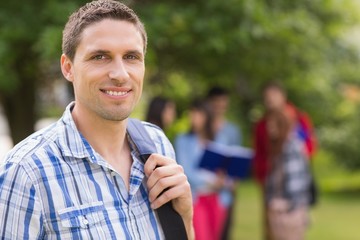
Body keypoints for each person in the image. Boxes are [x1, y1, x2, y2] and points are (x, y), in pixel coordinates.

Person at [0, 1, 194, 239]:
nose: (120, 74)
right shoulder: (27, 171)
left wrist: (184, 216)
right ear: (68, 67)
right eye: (100, 56)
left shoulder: (157, 144)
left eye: (131, 56)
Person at [253, 82, 317, 240]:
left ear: (283, 95)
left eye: (273, 95)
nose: (270, 100)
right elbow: (260, 154)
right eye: (267, 97)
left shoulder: (298, 119)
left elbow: (308, 146)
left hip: (289, 196)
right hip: (271, 183)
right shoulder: (262, 124)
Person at [175, 100, 228, 240]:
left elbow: (225, 168)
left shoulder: (219, 139)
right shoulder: (182, 140)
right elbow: (186, 172)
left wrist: (225, 180)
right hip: (196, 198)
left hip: (217, 199)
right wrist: (212, 182)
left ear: (206, 116)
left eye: (197, 114)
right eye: (191, 114)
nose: (193, 118)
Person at [206, 86, 242, 239]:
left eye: (223, 102)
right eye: (216, 102)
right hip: (204, 190)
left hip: (226, 192)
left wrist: (233, 181)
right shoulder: (203, 128)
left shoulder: (233, 131)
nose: (220, 106)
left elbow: (238, 160)